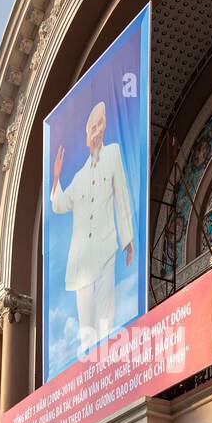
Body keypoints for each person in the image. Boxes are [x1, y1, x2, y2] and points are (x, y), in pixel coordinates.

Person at [50, 100, 134, 358]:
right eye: (92, 127)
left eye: (101, 125)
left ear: (105, 127)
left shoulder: (113, 154)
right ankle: (89, 370)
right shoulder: (78, 178)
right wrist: (56, 178)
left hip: (106, 247)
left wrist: (127, 239)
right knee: (86, 326)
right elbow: (60, 205)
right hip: (81, 261)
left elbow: (121, 198)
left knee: (106, 316)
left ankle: (108, 361)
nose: (97, 131)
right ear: (86, 134)